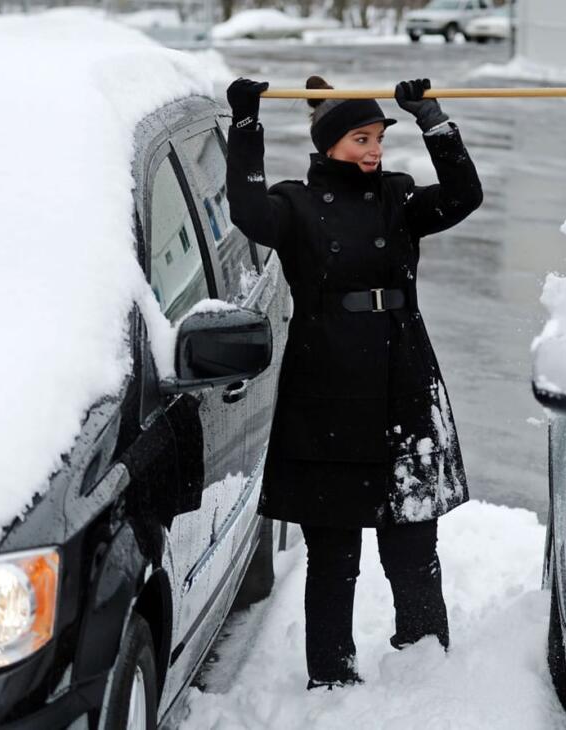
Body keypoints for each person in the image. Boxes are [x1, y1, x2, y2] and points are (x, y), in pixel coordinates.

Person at [224, 74, 483, 689]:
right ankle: (332, 674)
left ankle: (424, 660)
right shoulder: (295, 205)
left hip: (401, 379)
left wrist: (434, 122)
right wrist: (245, 126)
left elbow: (463, 196)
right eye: (360, 138)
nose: (373, 150)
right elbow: (248, 210)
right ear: (328, 144)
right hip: (326, 389)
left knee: (413, 538)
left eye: (378, 139)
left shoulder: (396, 197)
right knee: (333, 551)